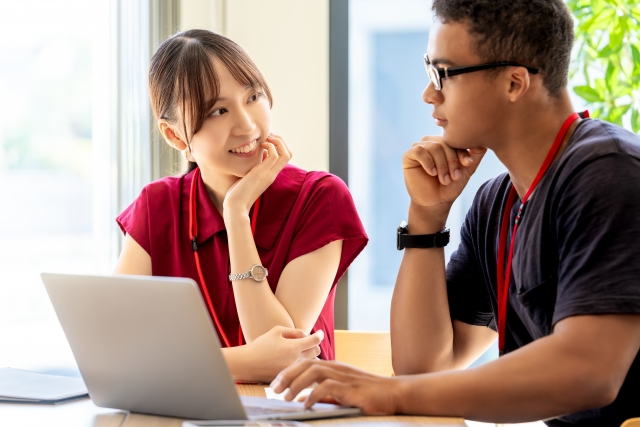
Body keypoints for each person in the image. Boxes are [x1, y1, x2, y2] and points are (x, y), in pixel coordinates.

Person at [271, 0, 640, 424]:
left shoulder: (608, 174)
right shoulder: (497, 203)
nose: (429, 93)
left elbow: (589, 374)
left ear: (515, 82)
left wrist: (385, 393)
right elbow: (423, 367)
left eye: (442, 73)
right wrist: (427, 219)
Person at [114, 29, 368, 383]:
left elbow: (283, 359)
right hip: (186, 414)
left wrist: (236, 214)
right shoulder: (157, 206)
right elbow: (116, 353)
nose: (247, 125)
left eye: (253, 96)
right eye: (218, 110)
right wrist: (241, 362)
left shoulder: (320, 198)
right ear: (175, 136)